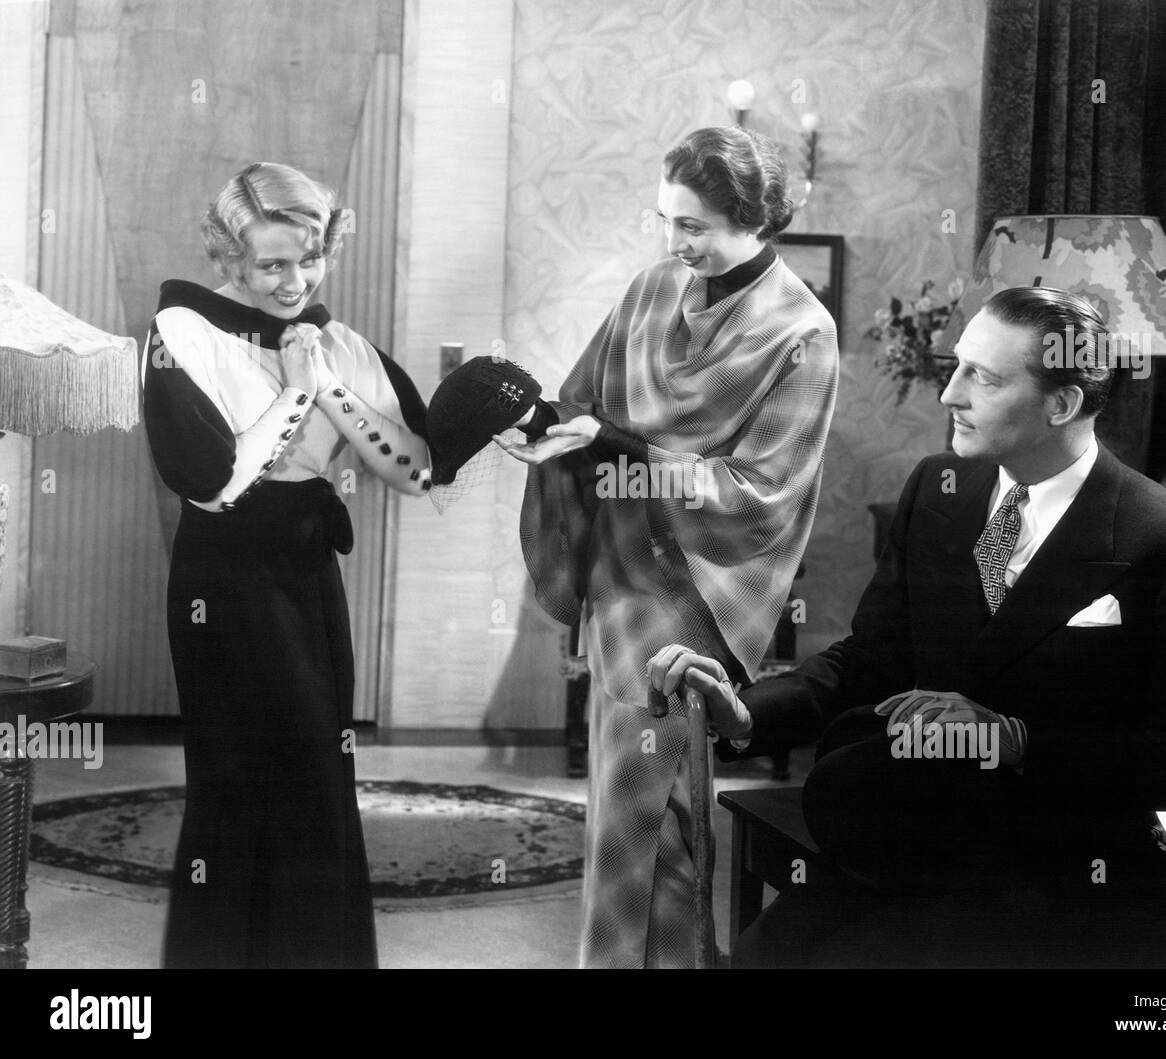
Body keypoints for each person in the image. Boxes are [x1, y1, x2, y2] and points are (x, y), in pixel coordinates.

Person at [652, 285, 1166, 967]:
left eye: (982, 378)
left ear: (1062, 404)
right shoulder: (940, 490)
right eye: (957, 365)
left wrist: (1019, 739)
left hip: (1057, 872)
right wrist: (745, 713)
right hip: (912, 841)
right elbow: (872, 659)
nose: (949, 394)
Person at [499, 126, 839, 968]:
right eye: (667, 220)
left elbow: (761, 491)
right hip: (619, 575)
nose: (675, 243)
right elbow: (581, 403)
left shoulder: (802, 330)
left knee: (666, 814)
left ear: (754, 217)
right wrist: (542, 427)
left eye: (694, 227)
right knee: (620, 813)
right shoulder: (653, 288)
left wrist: (618, 451)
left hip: (694, 588)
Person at [142, 162, 440, 967]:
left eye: (310, 260)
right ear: (230, 259)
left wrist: (330, 384)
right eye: (272, 264)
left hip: (310, 572)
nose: (294, 280)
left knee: (319, 772)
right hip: (225, 579)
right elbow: (215, 485)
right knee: (243, 777)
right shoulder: (182, 332)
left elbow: (417, 470)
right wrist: (301, 392)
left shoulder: (335, 339)